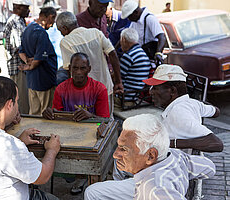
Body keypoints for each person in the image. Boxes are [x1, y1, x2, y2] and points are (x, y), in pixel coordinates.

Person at [84, 114, 216, 200]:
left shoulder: (155, 190)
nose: (115, 154)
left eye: (123, 149)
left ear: (151, 156)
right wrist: (180, 176)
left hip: (149, 182)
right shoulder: (175, 155)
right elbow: (210, 167)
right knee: (92, 192)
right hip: (145, 178)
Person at [56, 11, 123, 117]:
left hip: (84, 93)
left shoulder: (66, 42)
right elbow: (113, 54)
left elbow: (70, 70)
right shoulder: (96, 33)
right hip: (105, 86)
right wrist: (118, 81)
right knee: (107, 122)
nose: (61, 34)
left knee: (88, 125)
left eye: (60, 31)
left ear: (64, 28)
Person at [143, 64, 223, 152]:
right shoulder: (191, 103)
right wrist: (197, 103)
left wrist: (170, 143)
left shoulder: (179, 112)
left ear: (173, 91)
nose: (150, 92)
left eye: (155, 88)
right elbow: (216, 112)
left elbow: (216, 144)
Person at [43, 53, 109, 122]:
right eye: (75, 68)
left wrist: (91, 116)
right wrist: (49, 114)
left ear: (89, 69)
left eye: (83, 68)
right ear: (70, 68)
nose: (78, 72)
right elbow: (57, 117)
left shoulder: (99, 89)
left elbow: (104, 121)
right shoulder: (61, 89)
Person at [19, 7, 57, 116]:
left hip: (32, 81)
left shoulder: (28, 29)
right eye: (53, 19)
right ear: (50, 17)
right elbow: (39, 59)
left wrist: (27, 62)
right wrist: (30, 66)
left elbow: (21, 52)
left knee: (34, 113)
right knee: (46, 112)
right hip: (44, 80)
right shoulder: (41, 33)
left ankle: (32, 132)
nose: (53, 23)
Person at [3, 0, 31, 114]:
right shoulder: (14, 22)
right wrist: (29, 63)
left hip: (21, 66)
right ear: (18, 8)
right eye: (26, 8)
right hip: (18, 67)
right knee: (22, 102)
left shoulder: (21, 21)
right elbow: (19, 47)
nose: (29, 10)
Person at [121, 0, 166, 65]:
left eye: (129, 17)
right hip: (140, 58)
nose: (129, 19)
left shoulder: (150, 19)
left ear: (136, 12)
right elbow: (126, 36)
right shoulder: (134, 22)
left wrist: (158, 53)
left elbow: (162, 37)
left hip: (150, 59)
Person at [118, 27, 151, 104]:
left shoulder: (129, 56)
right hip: (136, 96)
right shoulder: (142, 53)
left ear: (123, 40)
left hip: (125, 98)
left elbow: (117, 77)